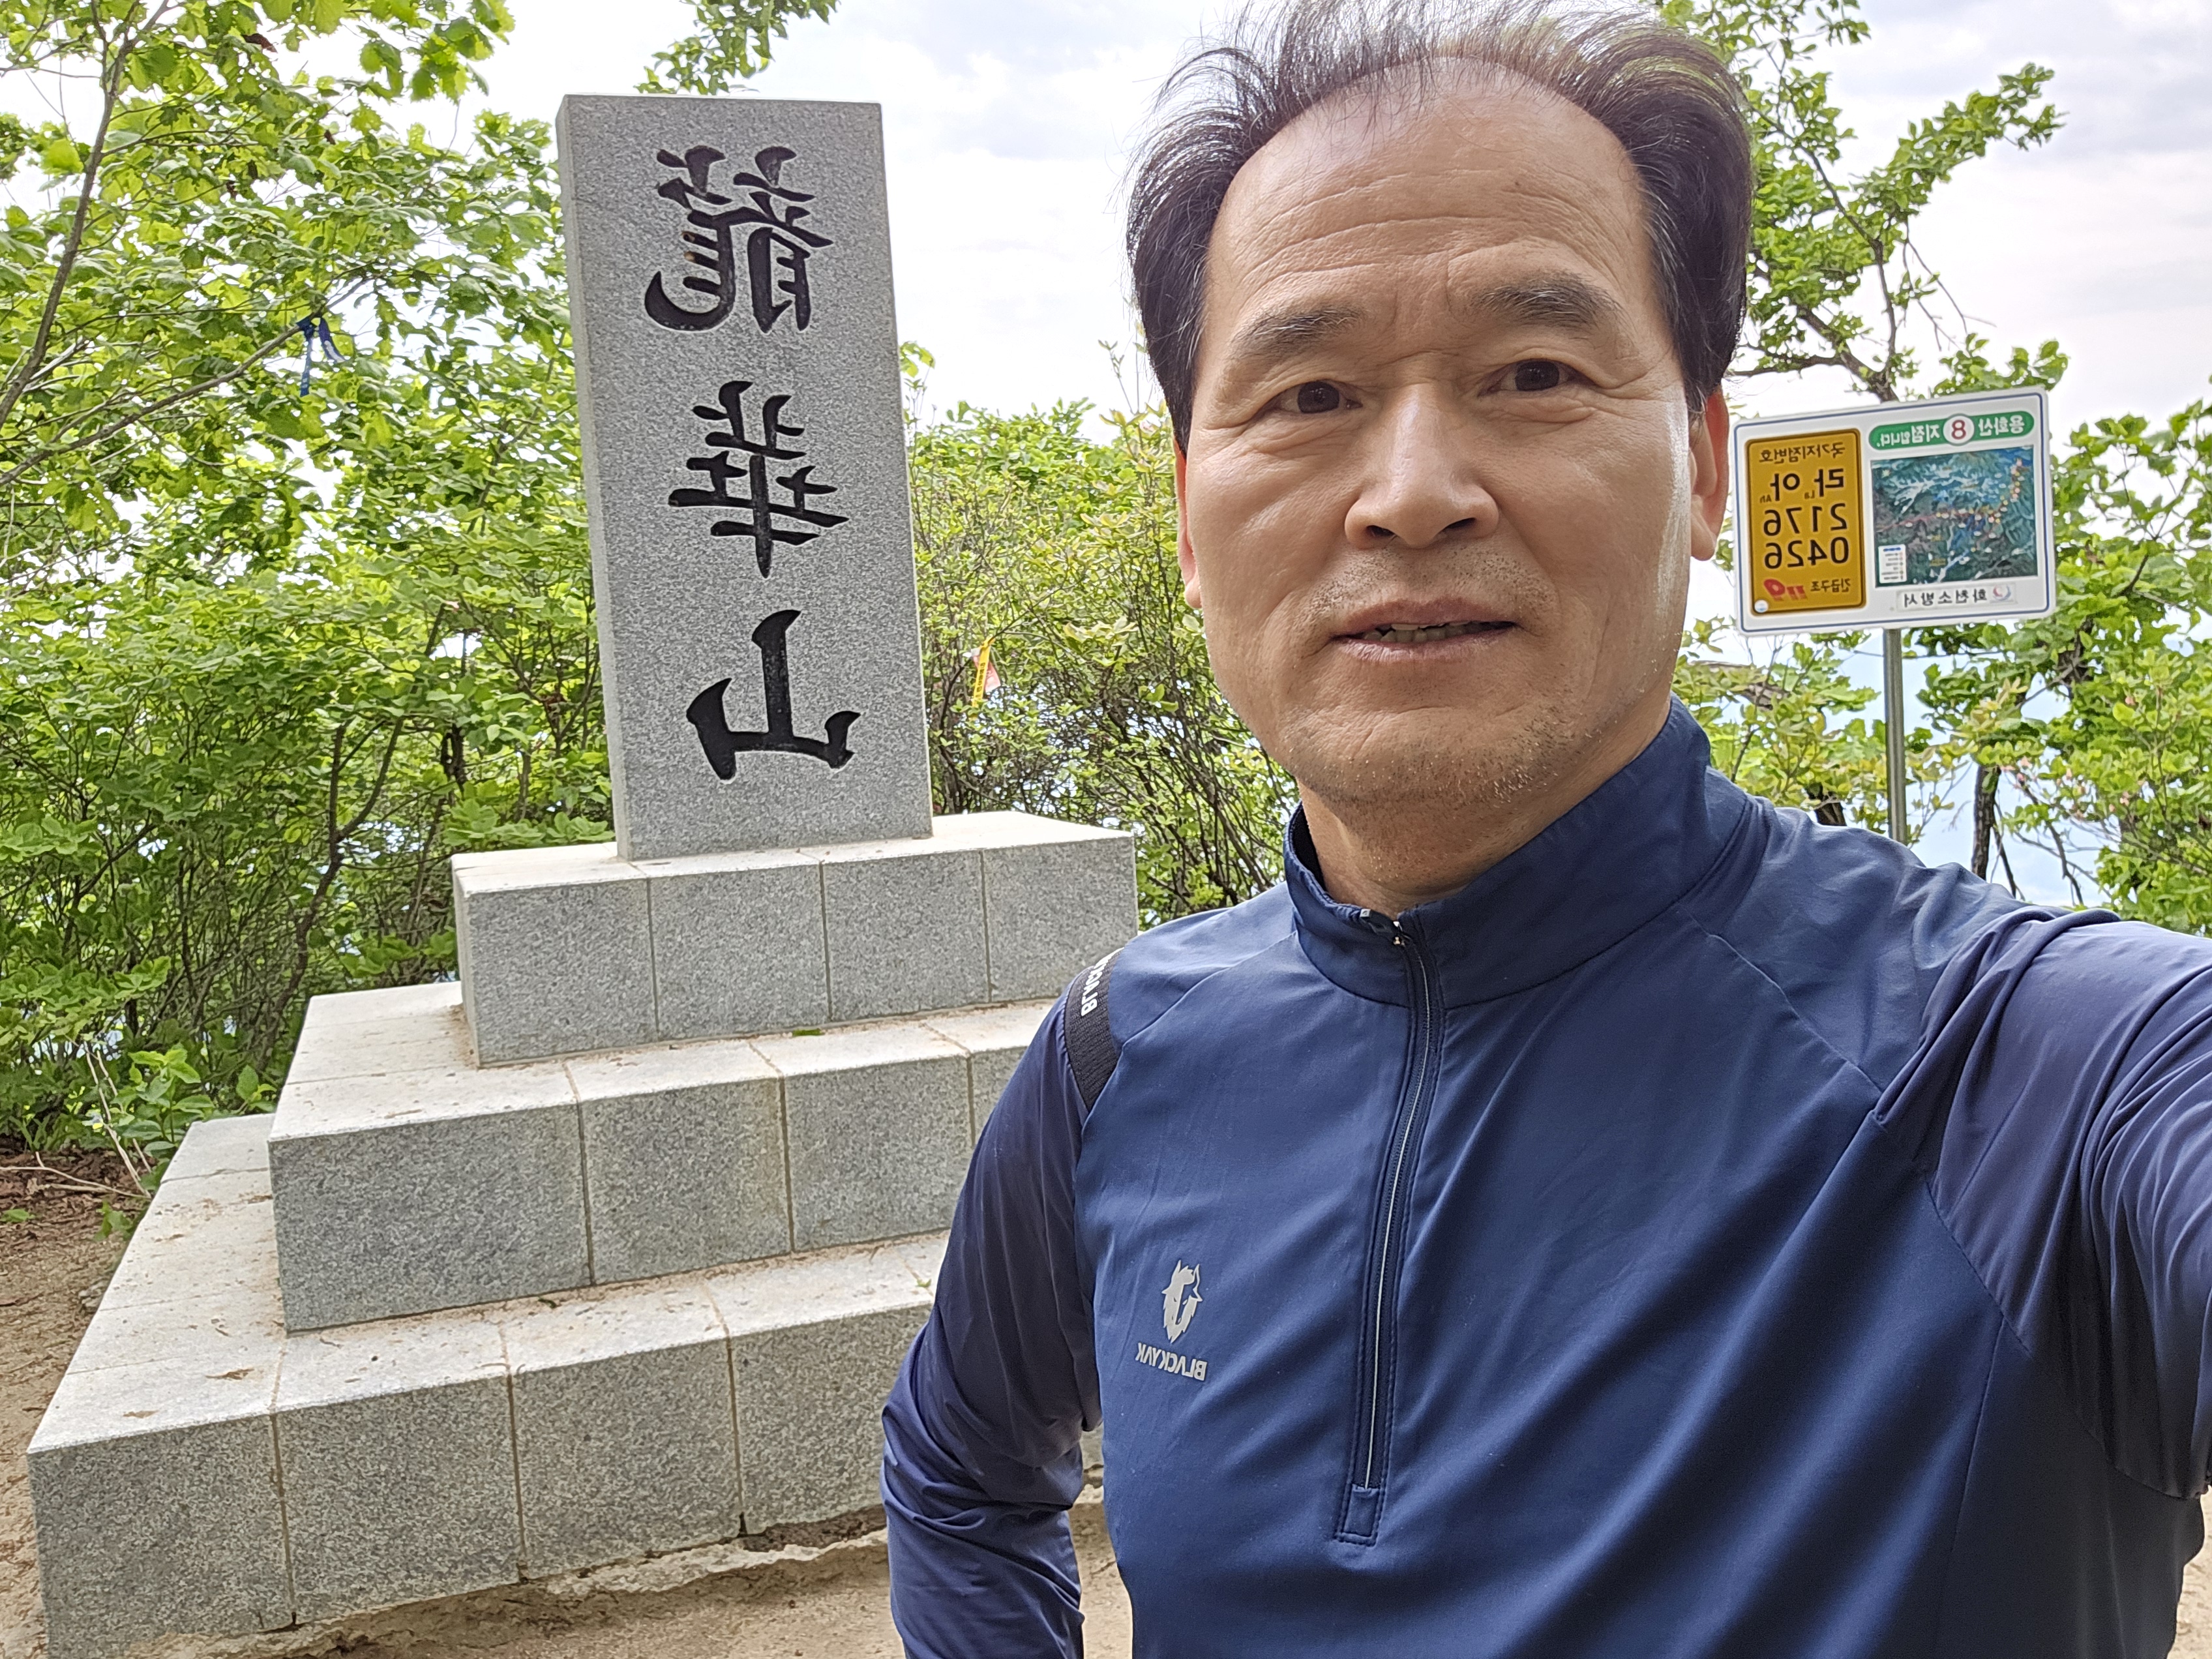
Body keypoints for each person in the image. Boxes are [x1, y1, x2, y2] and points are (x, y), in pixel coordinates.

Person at [882, 2, 2212, 1654]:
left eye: (1533, 374)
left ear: (1704, 464)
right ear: (1191, 520)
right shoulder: (1116, 1055)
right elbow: (957, 1466)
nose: (1410, 492)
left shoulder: (2043, 1071)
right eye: (1306, 393)